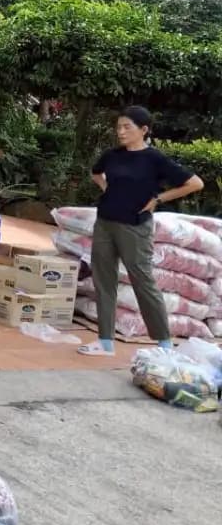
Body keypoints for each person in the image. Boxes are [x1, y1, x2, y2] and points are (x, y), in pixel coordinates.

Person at [79, 106, 203, 357]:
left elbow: (194, 183)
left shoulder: (155, 159)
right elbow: (96, 173)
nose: (121, 132)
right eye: (118, 127)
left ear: (143, 130)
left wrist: (159, 198)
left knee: (143, 282)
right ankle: (105, 342)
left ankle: (165, 345)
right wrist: (108, 189)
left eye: (127, 127)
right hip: (105, 223)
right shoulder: (112, 155)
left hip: (135, 227)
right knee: (104, 282)